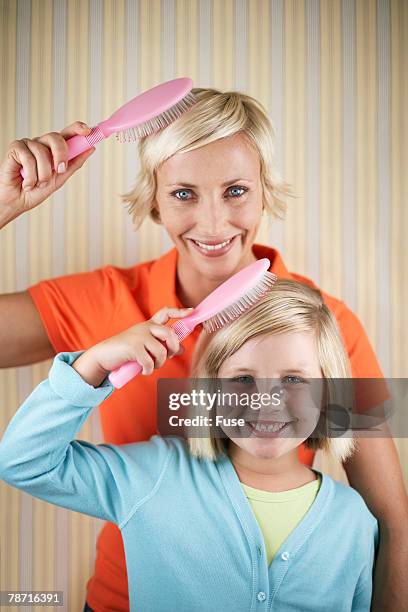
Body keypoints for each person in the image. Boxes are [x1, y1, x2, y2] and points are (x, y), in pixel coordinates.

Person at [0, 87, 406, 611]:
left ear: (265, 192)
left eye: (235, 190)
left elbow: (391, 524)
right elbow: (26, 461)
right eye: (184, 194)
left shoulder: (326, 326)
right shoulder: (103, 302)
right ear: (153, 198)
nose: (213, 225)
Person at [0, 281, 379, 611]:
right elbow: (24, 461)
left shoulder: (355, 522)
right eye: (243, 379)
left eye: (294, 379)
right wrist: (94, 364)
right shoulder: (154, 476)